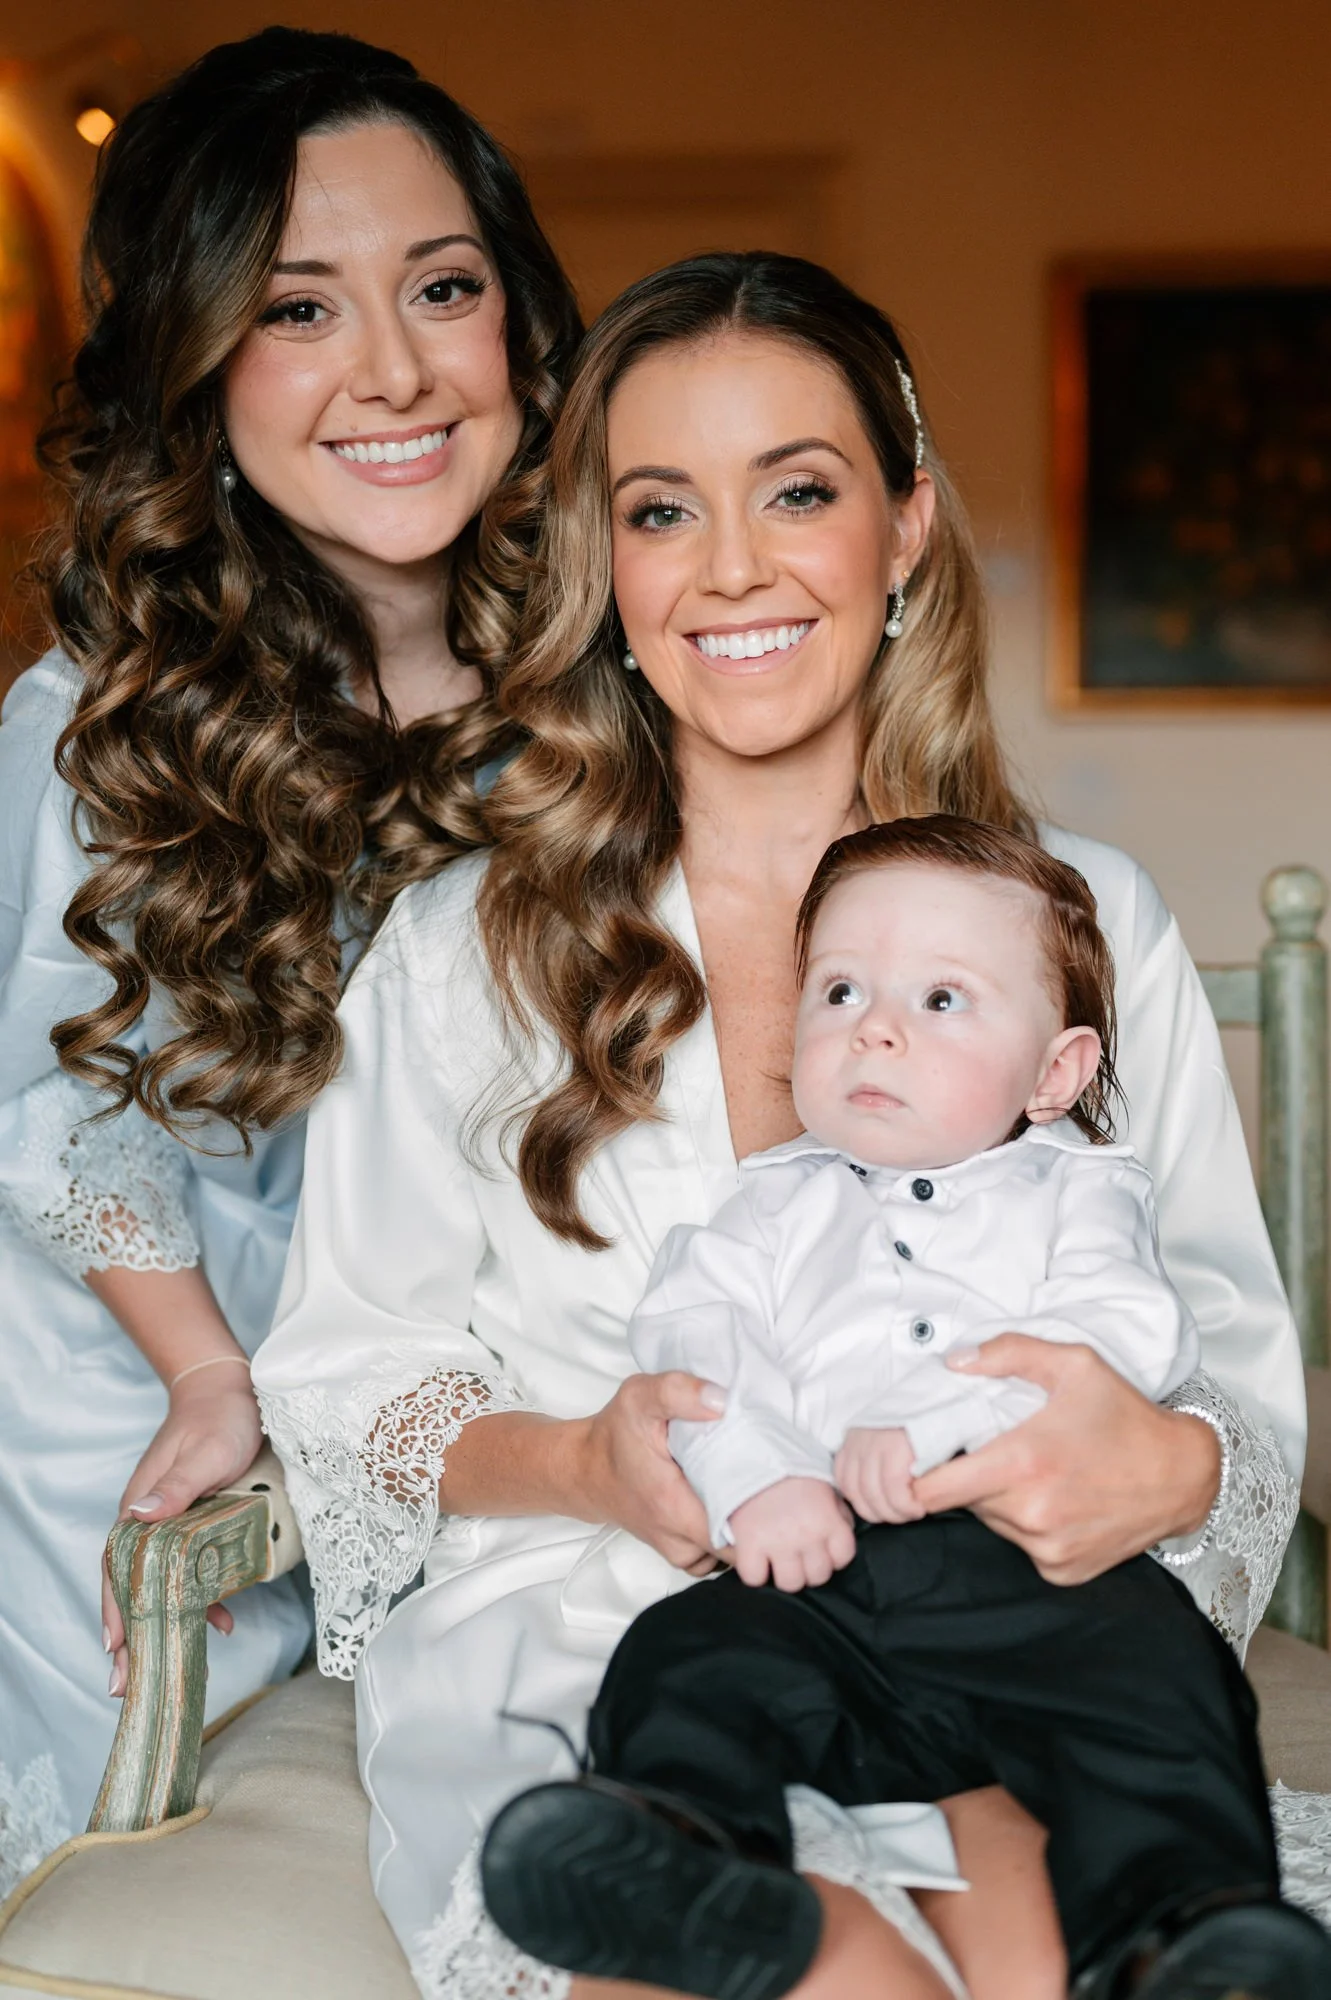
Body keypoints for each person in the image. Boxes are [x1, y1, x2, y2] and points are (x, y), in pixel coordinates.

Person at [254, 252, 1310, 2000]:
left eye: (797, 492)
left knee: (1068, 1966)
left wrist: (1170, 1461)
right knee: (802, 1973)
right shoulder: (464, 947)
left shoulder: (1086, 925)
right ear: (606, 565)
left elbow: (1222, 1382)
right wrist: (593, 1456)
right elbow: (356, 1384)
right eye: (663, 509)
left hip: (999, 1622)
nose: (732, 566)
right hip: (606, 1622)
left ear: (902, 529)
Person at [0, 25, 579, 1893]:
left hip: (485, 1411)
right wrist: (208, 1378)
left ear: (524, 325)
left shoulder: (615, 670)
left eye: (442, 287)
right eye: (295, 309)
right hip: (142, 1392)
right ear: (195, 369)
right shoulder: (100, 719)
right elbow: (53, 1118)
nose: (396, 371)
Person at [480, 815, 1331, 2000]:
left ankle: (1174, 1925)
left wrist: (935, 1425)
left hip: (1035, 1583)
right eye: (838, 989)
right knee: (682, 1653)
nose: (872, 1023)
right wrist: (760, 1477)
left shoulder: (1076, 1194)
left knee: (1162, 1671)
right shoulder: (764, 1208)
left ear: (1055, 1072)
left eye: (940, 998)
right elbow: (693, 1348)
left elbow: (1125, 1331)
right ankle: (690, 1860)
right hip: (823, 1576)